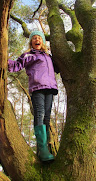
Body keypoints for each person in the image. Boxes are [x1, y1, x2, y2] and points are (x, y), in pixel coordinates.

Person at [8, 30, 58, 162]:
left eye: (39, 38)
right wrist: (4, 59)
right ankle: (42, 150)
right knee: (40, 114)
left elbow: (58, 68)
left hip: (50, 88)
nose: (37, 40)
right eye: (34, 38)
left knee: (47, 117)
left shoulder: (48, 56)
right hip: (37, 87)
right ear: (31, 42)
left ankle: (46, 147)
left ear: (42, 41)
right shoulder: (29, 54)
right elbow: (16, 65)